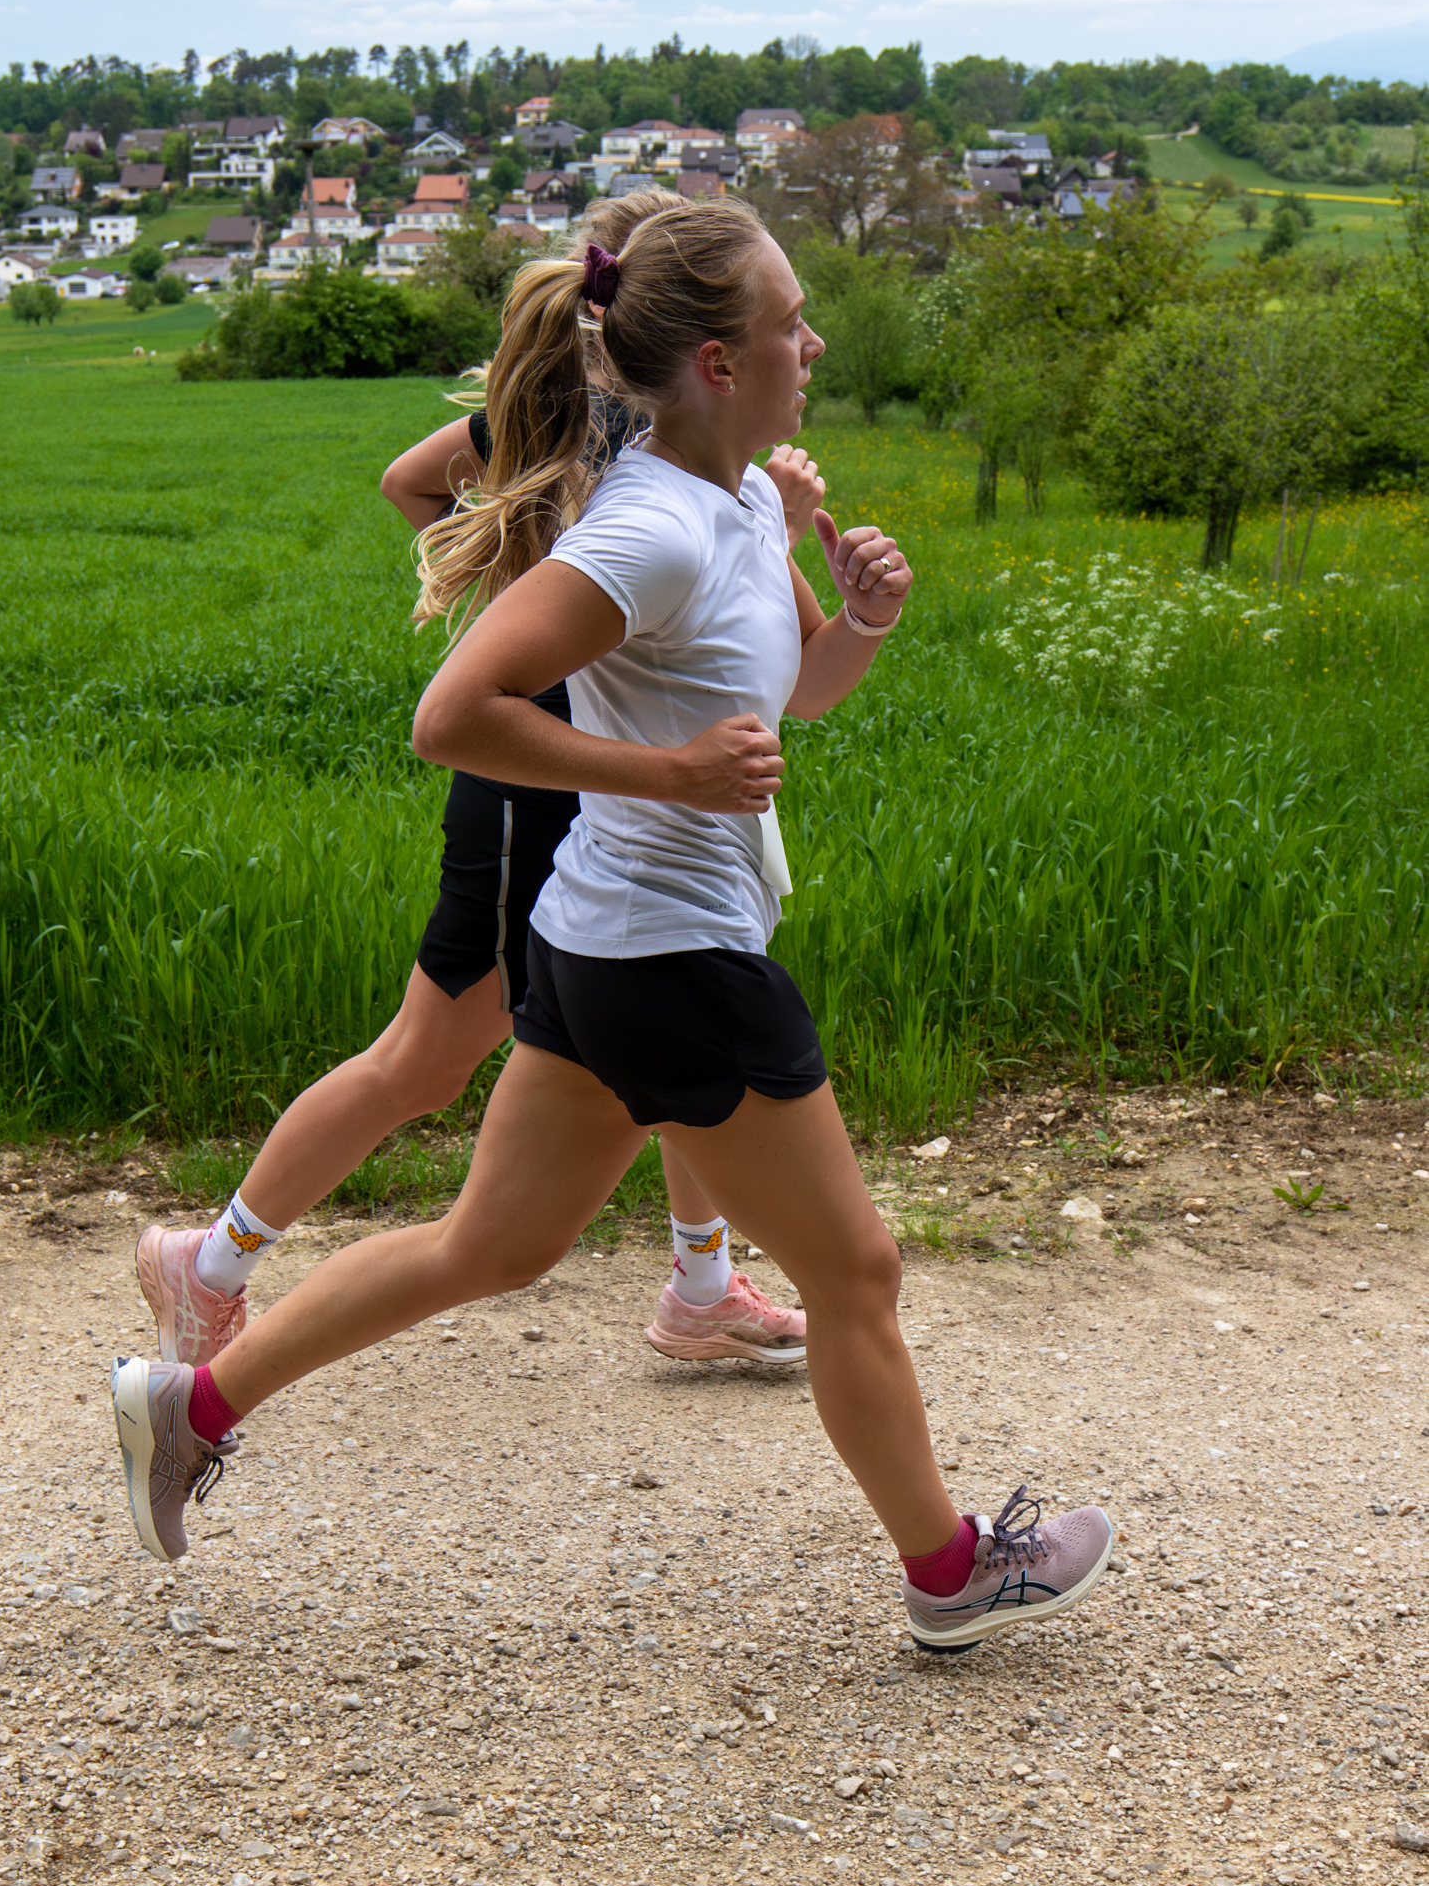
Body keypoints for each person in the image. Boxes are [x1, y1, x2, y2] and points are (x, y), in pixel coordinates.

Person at [113, 196, 1115, 1654]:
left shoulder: (736, 504)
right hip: (672, 959)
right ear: (717, 362)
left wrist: (858, 621)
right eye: (789, 324)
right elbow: (451, 715)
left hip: (602, 950)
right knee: (856, 1273)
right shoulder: (648, 528)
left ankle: (192, 1404)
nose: (812, 345)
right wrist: (667, 774)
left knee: (485, 1245)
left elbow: (790, 701)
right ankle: (951, 1568)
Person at [134, 194, 820, 1375]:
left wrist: (782, 542)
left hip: (631, 794)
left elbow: (756, 630)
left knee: (687, 1024)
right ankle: (208, 1262)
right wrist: (516, 572)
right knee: (430, 1054)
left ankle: (702, 1282)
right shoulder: (584, 412)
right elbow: (412, 485)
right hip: (532, 790)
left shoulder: (701, 438)